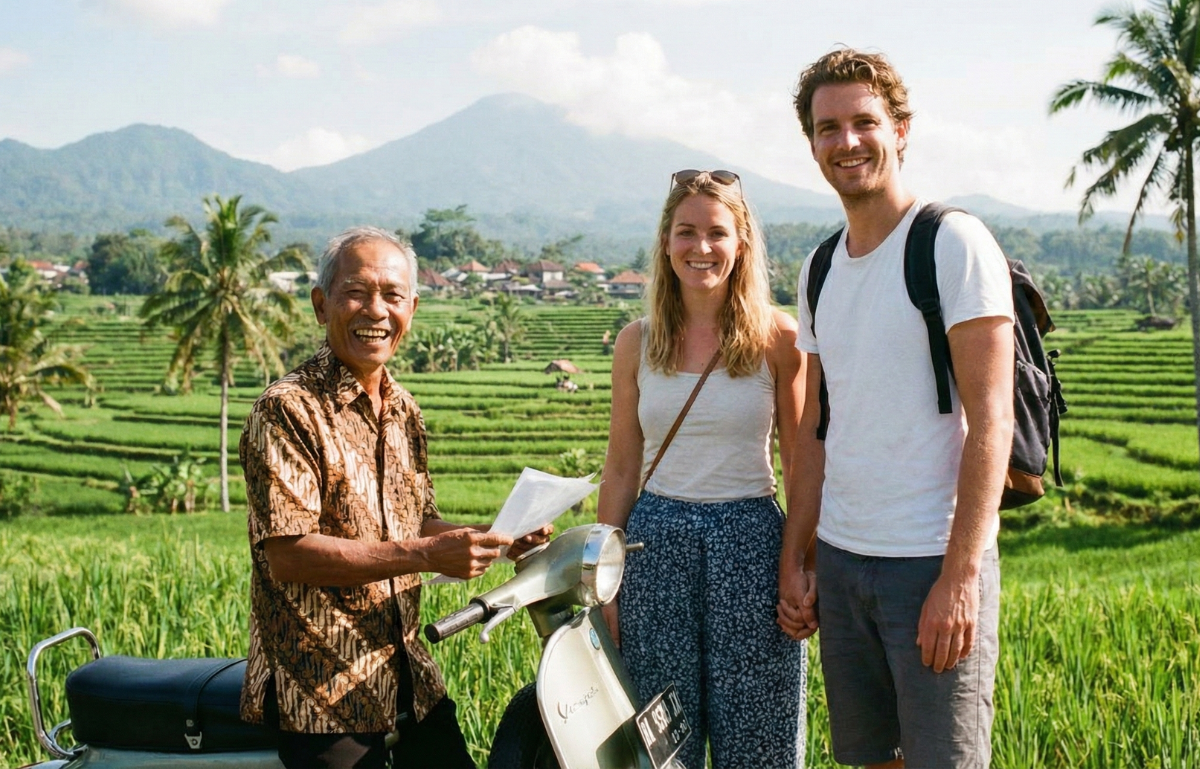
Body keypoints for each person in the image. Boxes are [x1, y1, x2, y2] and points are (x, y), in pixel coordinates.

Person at [777, 49, 1015, 769]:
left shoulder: (951, 243)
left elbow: (991, 421)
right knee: (868, 761)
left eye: (864, 122)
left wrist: (960, 577)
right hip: (846, 563)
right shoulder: (819, 268)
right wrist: (800, 558)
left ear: (901, 130)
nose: (846, 142)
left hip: (928, 562)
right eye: (828, 128)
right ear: (811, 142)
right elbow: (817, 429)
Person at [238, 226, 550, 769]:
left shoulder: (403, 409)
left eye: (393, 295)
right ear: (321, 304)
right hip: (321, 692)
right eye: (356, 292)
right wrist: (429, 556)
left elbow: (419, 521)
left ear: (412, 308)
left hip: (410, 677)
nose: (375, 310)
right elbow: (287, 552)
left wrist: (496, 539)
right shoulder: (288, 409)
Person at [598, 170, 808, 768]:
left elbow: (798, 465)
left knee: (760, 741)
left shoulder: (778, 338)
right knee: (663, 743)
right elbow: (620, 467)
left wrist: (800, 565)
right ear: (665, 242)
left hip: (752, 541)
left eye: (718, 233)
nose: (701, 247)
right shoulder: (636, 342)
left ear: (742, 243)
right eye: (686, 232)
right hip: (653, 545)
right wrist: (603, 581)